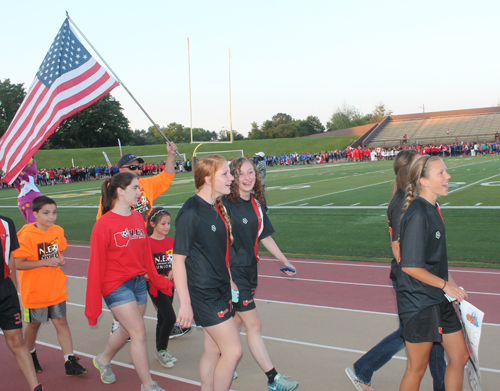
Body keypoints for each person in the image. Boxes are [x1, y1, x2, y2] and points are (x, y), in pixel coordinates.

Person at [345, 150, 446, 391]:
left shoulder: (411, 198)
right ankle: (363, 368)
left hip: (418, 281)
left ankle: (440, 384)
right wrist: (419, 279)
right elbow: (398, 248)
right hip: (412, 282)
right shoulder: (404, 202)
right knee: (413, 334)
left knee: (431, 337)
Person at [86, 172, 171, 391]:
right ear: (120, 192)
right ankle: (148, 385)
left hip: (137, 282)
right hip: (114, 284)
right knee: (138, 332)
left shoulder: (137, 218)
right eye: (134, 188)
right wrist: (93, 306)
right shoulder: (103, 225)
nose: (139, 192)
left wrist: (158, 281)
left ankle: (103, 360)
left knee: (126, 330)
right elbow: (95, 265)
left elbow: (145, 256)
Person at [223, 157, 299, 391]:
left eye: (250, 173)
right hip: (233, 272)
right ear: (232, 177)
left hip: (249, 269)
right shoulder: (223, 205)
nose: (247, 178)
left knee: (235, 322)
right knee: (253, 325)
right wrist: (229, 279)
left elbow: (264, 235)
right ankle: (273, 378)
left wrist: (284, 260)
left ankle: (223, 362)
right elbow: (216, 245)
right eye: (241, 174)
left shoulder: (256, 203)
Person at [398, 155, 469, 391]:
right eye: (441, 173)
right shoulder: (418, 213)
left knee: (460, 357)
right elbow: (409, 266)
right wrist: (445, 286)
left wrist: (453, 287)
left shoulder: (433, 208)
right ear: (424, 181)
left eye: (446, 172)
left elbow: (435, 261)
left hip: (439, 297)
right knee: (416, 369)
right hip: (419, 302)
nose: (448, 176)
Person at [173, 155, 242, 391]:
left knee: (213, 349)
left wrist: (230, 280)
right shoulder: (191, 212)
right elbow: (178, 260)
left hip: (220, 288)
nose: (231, 178)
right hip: (204, 293)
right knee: (232, 351)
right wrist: (185, 304)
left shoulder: (216, 208)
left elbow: (218, 252)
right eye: (225, 174)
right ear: (208, 179)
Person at [13, 196, 87, 377]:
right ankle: (30, 354)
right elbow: (18, 264)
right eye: (46, 213)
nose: (51, 217)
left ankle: (70, 360)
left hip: (55, 287)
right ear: (35, 214)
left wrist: (59, 260)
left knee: (61, 321)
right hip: (35, 290)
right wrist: (44, 261)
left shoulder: (58, 231)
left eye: (54, 212)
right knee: (34, 324)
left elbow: (58, 252)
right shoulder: (27, 235)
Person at [0, 214, 44, 391]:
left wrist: (13, 286)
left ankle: (36, 387)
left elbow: (10, 255)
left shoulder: (6, 223)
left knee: (17, 339)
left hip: (5, 290)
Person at [145, 206, 178, 368]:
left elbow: (178, 262)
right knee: (170, 318)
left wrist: (174, 270)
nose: (166, 227)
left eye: (168, 224)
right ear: (152, 224)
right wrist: (157, 279)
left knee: (163, 318)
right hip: (155, 287)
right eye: (163, 224)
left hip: (170, 286)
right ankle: (162, 349)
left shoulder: (172, 242)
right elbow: (143, 270)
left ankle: (160, 350)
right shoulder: (147, 244)